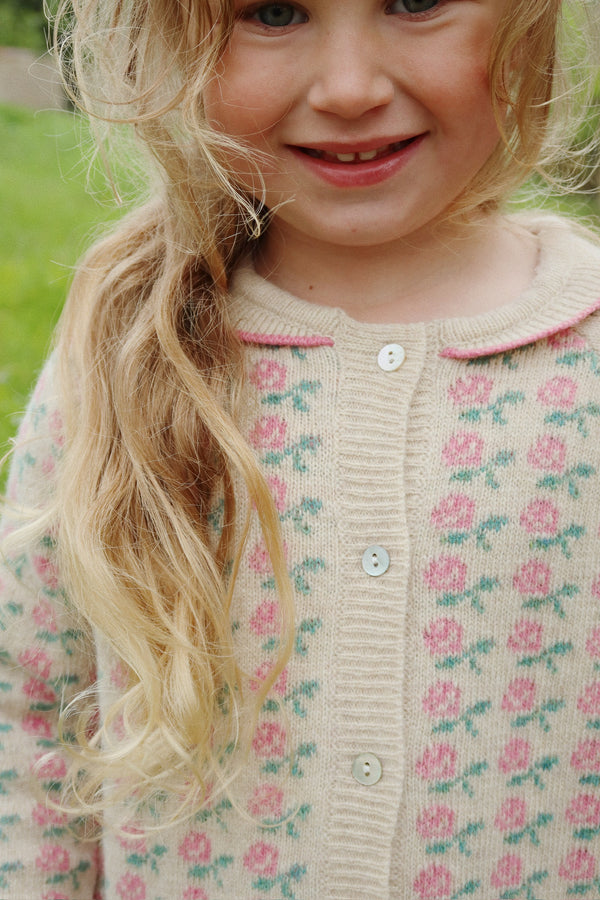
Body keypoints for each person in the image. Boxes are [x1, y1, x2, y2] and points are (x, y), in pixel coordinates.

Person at [1, 0, 600, 896]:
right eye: (273, 12)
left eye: (415, 1)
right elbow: (33, 709)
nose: (350, 88)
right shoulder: (128, 348)